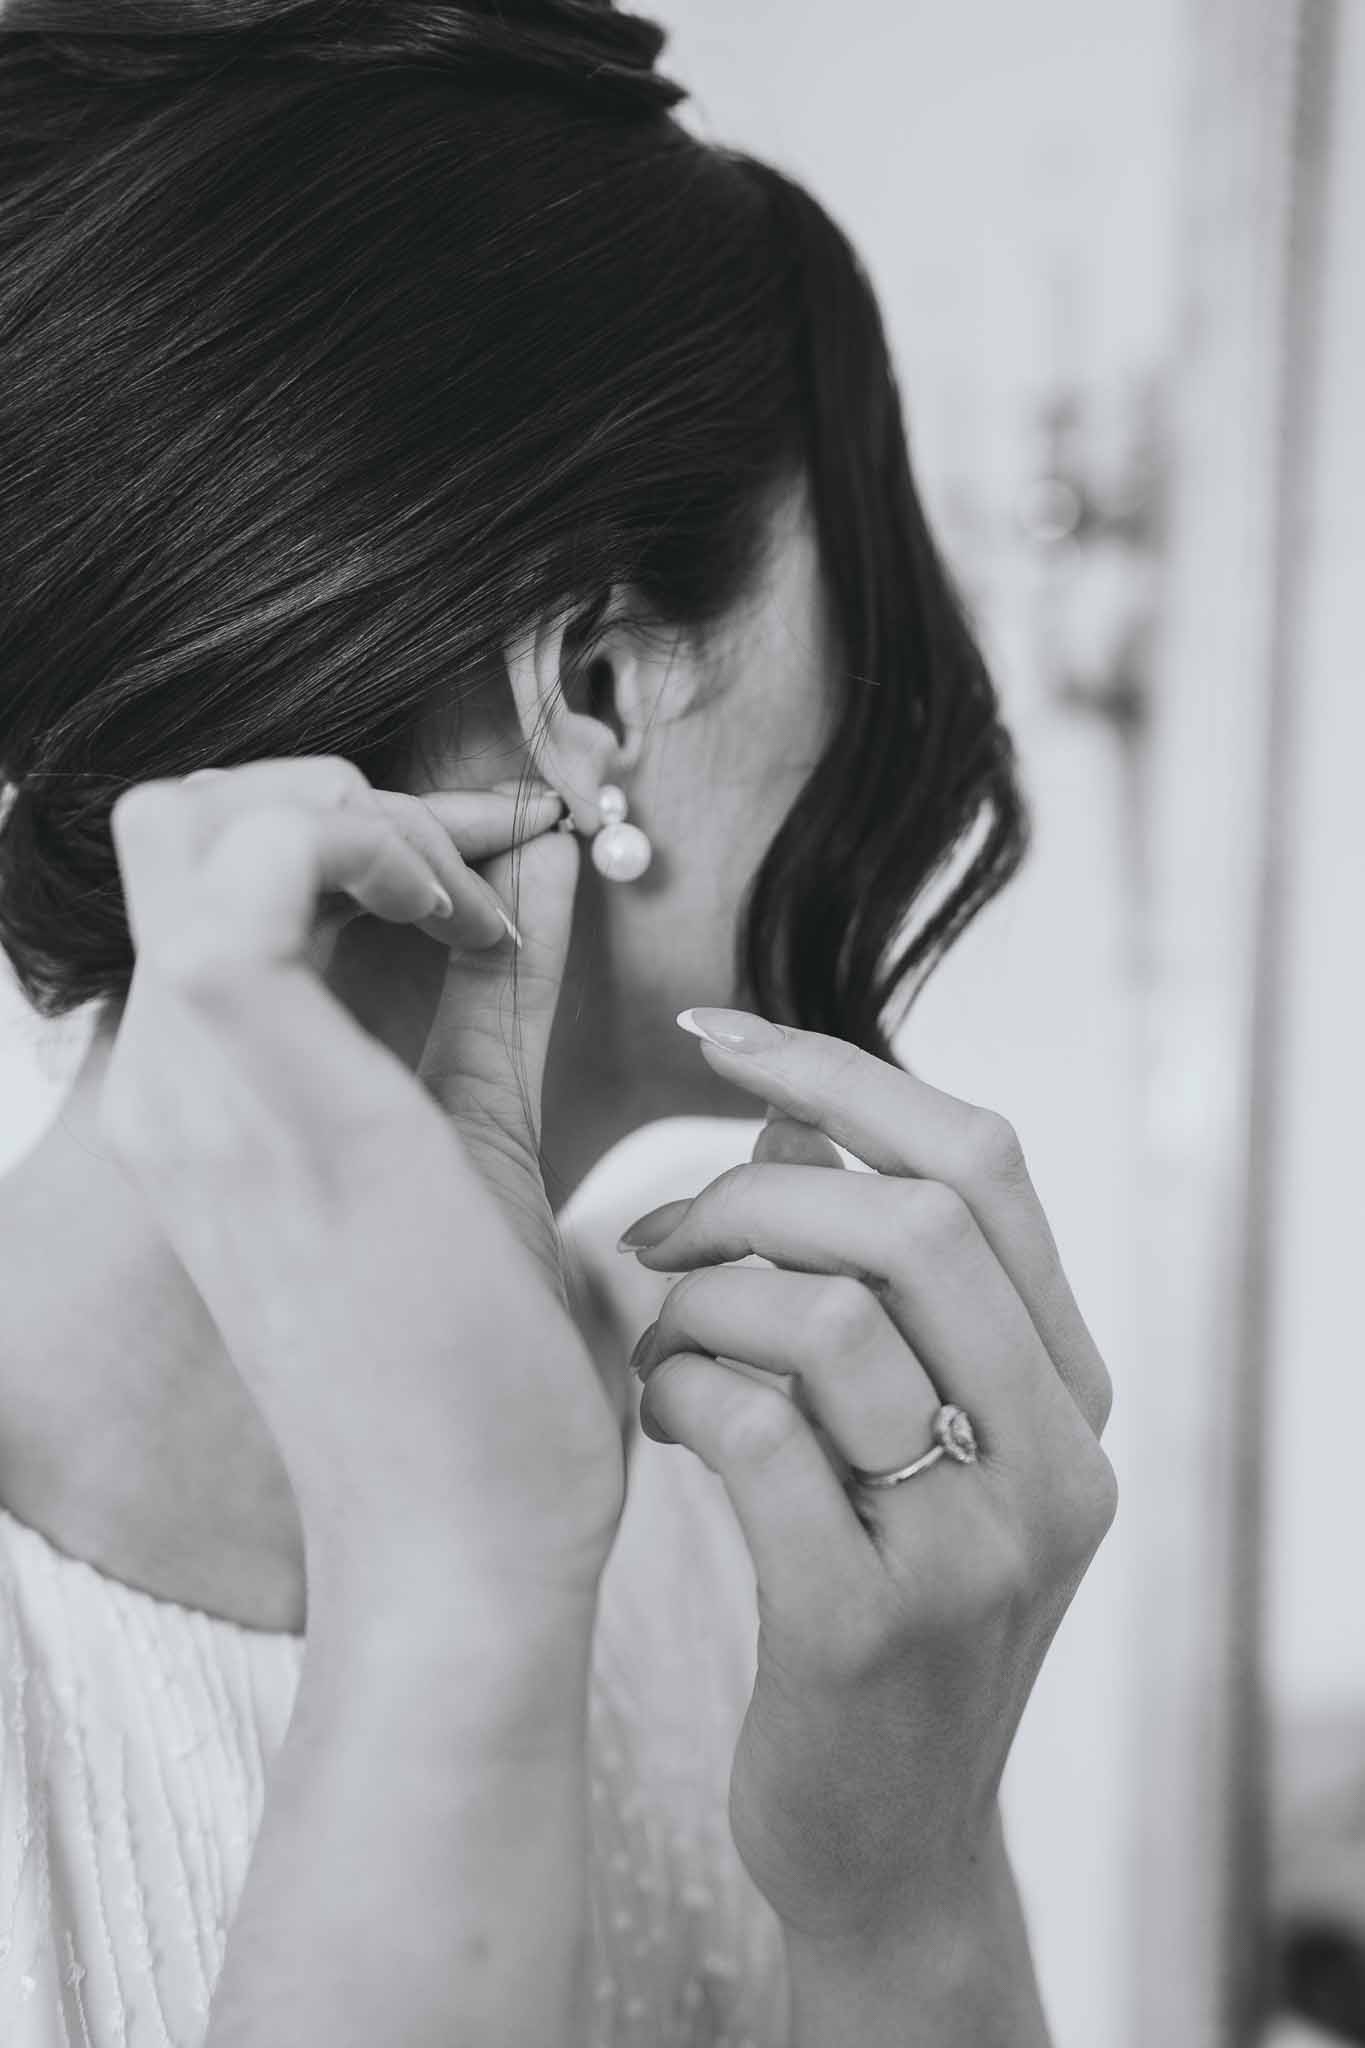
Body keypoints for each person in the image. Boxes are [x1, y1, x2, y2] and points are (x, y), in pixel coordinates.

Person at [0, 2, 1118, 2043]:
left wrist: (902, 1881)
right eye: (867, 575)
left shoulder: (738, 1530)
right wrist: (459, 1572)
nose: (924, 717)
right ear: (593, 689)